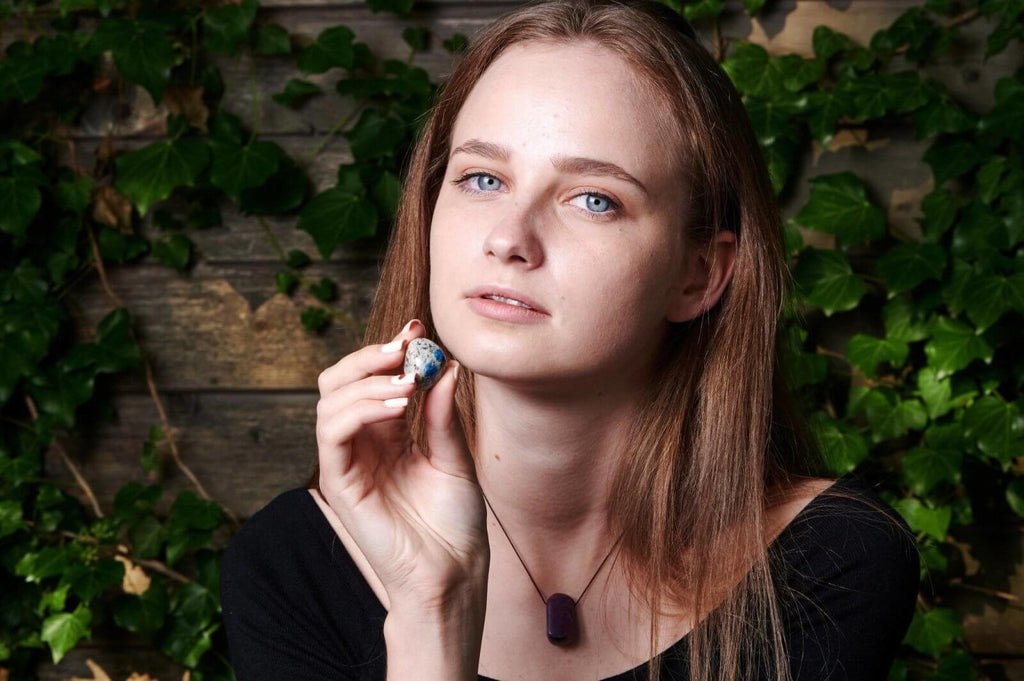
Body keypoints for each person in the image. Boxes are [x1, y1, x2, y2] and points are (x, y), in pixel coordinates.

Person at [219, 0, 921, 679]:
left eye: (594, 199)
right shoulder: (290, 568)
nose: (509, 238)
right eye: (483, 178)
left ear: (698, 274)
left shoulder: (830, 561)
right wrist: (434, 608)